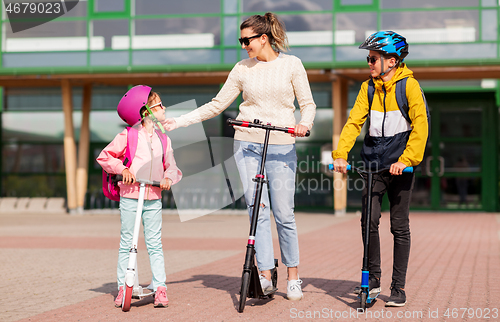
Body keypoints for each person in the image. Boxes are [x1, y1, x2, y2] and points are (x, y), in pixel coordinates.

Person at [162, 12, 316, 301]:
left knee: (284, 213)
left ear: (264, 38)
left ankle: (293, 274)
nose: (243, 45)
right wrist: (179, 121)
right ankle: (266, 274)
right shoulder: (242, 69)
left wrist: (304, 123)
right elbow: (217, 104)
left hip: (282, 144)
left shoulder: (292, 65)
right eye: (240, 40)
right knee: (256, 209)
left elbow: (308, 104)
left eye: (247, 40)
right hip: (247, 144)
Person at [331, 31, 428, 307]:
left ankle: (398, 287)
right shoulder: (368, 88)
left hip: (401, 166)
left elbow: (421, 127)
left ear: (392, 61)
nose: (369, 63)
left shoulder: (409, 87)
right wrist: (341, 155)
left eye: (373, 58)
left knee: (399, 226)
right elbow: (353, 123)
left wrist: (406, 160)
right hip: (373, 163)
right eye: (368, 58)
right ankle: (372, 282)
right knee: (368, 222)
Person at [97, 85, 182, 308]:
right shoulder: (128, 135)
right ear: (146, 112)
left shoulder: (164, 140)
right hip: (131, 196)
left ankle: (160, 287)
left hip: (153, 196)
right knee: (127, 241)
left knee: (154, 243)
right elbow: (105, 156)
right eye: (159, 105)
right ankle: (124, 286)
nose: (164, 108)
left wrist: (168, 179)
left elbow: (171, 166)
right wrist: (122, 170)